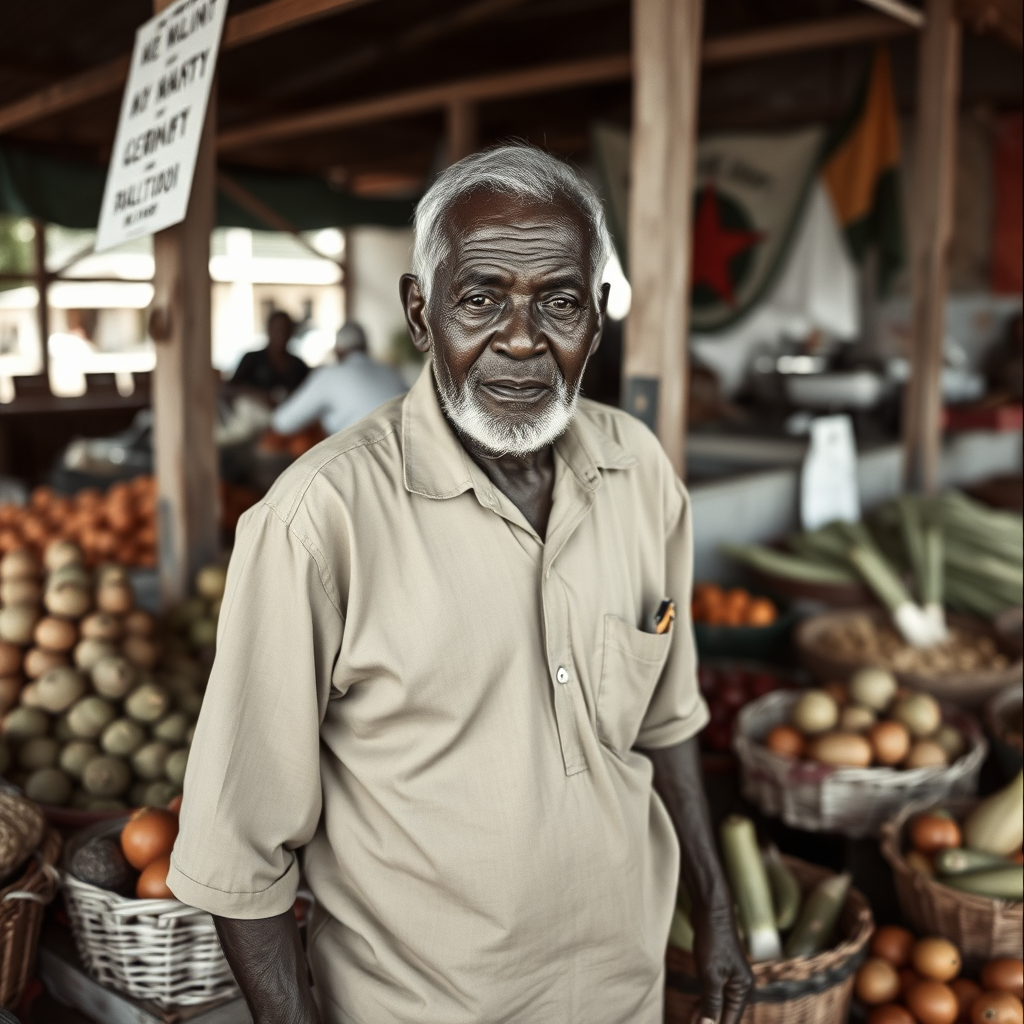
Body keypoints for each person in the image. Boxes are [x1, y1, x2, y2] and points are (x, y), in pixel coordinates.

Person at [168, 145, 752, 1024]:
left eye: (559, 303)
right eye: (480, 299)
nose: (521, 341)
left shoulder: (640, 469)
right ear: (419, 311)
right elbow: (237, 855)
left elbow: (668, 722)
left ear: (597, 317)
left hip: (625, 993)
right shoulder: (319, 519)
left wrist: (716, 906)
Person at [270, 322, 408, 437]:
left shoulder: (329, 375)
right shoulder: (391, 372)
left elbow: (283, 423)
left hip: (362, 459)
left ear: (338, 351)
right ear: (365, 347)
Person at [230, 310, 310, 400]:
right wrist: (259, 394)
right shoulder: (252, 359)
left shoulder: (298, 365)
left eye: (286, 329)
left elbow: (310, 392)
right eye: (278, 329)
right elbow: (229, 389)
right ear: (269, 329)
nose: (282, 334)